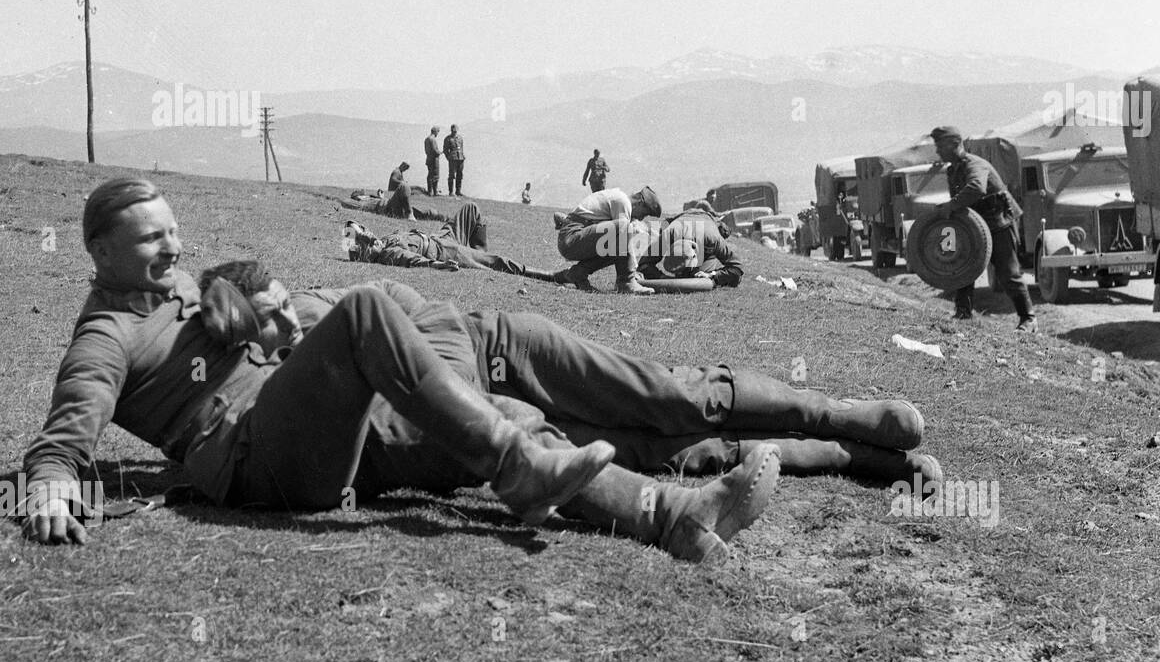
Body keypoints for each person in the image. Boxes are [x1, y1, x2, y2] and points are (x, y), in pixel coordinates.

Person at [17, 177, 619, 546]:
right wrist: (48, 487)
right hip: (258, 461)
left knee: (504, 409)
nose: (172, 247)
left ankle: (667, 514)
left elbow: (238, 311)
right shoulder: (103, 337)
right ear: (100, 251)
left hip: (298, 427)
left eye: (173, 232)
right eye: (152, 239)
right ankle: (515, 470)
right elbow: (62, 440)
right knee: (363, 312)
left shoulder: (173, 287)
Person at [203, 263, 939, 527]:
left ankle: (838, 411)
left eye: (283, 304)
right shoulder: (282, 392)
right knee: (656, 451)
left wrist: (434, 376)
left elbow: (407, 304)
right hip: (490, 415)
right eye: (265, 323)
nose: (283, 322)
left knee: (663, 395)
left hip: (503, 346)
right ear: (243, 338)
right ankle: (846, 454)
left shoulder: (336, 305)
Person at [930, 126, 1037, 331]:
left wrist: (950, 206)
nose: (937, 151)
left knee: (1008, 272)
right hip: (975, 225)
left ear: (955, 144)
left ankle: (1029, 319)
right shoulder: (953, 169)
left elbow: (976, 188)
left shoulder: (974, 164)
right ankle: (963, 313)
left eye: (940, 146)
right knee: (964, 266)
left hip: (999, 223)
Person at [343, 201, 556, 281]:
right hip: (445, 251)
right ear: (366, 254)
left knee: (471, 209)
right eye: (367, 242)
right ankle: (552, 275)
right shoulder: (389, 254)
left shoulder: (384, 241)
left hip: (441, 237)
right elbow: (415, 261)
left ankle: (476, 252)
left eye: (365, 232)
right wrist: (439, 265)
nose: (371, 237)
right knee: (497, 262)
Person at [553, 186, 662, 294]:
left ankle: (578, 273)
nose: (641, 218)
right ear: (639, 202)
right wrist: (633, 272)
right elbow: (625, 230)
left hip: (572, 239)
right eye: (644, 213)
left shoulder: (619, 199)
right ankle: (626, 282)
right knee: (624, 226)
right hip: (571, 238)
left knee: (618, 246)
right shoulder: (622, 202)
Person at [640, 207, 744, 287]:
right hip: (682, 218)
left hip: (707, 221)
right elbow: (644, 264)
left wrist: (712, 275)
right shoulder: (668, 234)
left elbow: (737, 268)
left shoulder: (713, 238)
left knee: (732, 279)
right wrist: (662, 277)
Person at [444, 125, 465, 196]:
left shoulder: (460, 138)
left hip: (460, 158)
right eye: (453, 130)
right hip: (452, 159)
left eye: (455, 130)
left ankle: (458, 191)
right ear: (451, 130)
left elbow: (461, 148)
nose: (454, 132)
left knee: (460, 175)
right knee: (451, 175)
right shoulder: (448, 139)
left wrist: (462, 156)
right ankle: (451, 192)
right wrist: (449, 158)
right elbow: (445, 150)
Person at [423, 126, 442, 196]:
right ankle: (434, 191)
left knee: (430, 174)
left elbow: (426, 150)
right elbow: (434, 150)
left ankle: (430, 191)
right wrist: (440, 152)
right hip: (434, 159)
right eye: (437, 132)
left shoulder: (427, 139)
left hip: (429, 159)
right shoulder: (432, 139)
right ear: (435, 131)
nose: (437, 134)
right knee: (435, 175)